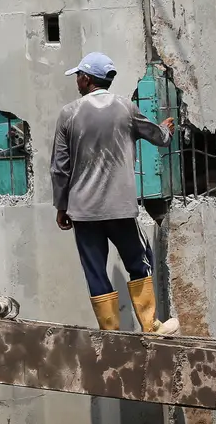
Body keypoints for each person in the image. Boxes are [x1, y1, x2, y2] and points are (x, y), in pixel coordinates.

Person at [51, 51, 180, 335]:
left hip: (83, 211)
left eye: (78, 77)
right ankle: (150, 325)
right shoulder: (127, 109)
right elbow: (157, 137)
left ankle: (110, 333)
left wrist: (61, 206)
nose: (77, 81)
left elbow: (59, 168)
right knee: (139, 261)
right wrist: (167, 130)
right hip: (120, 208)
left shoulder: (68, 114)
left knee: (95, 271)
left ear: (86, 79)